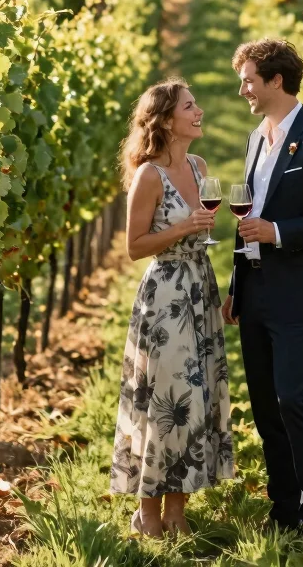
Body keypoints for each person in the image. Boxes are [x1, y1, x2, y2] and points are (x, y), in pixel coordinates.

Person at [222, 38, 303, 548]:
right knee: (264, 406)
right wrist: (236, 285)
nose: (243, 90)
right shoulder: (258, 138)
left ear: (276, 81)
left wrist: (276, 232)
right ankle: (284, 507)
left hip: (299, 294)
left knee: (294, 399)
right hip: (255, 292)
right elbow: (244, 219)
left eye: (249, 80)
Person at [110, 78, 233, 538]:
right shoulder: (148, 175)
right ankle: (147, 509)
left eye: (196, 104)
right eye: (189, 106)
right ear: (165, 120)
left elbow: (202, 229)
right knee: (163, 400)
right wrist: (184, 230)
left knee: (193, 398)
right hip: (165, 297)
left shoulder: (200, 167)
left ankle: (177, 509)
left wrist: (200, 230)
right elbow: (134, 247)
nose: (198, 111)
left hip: (200, 289)